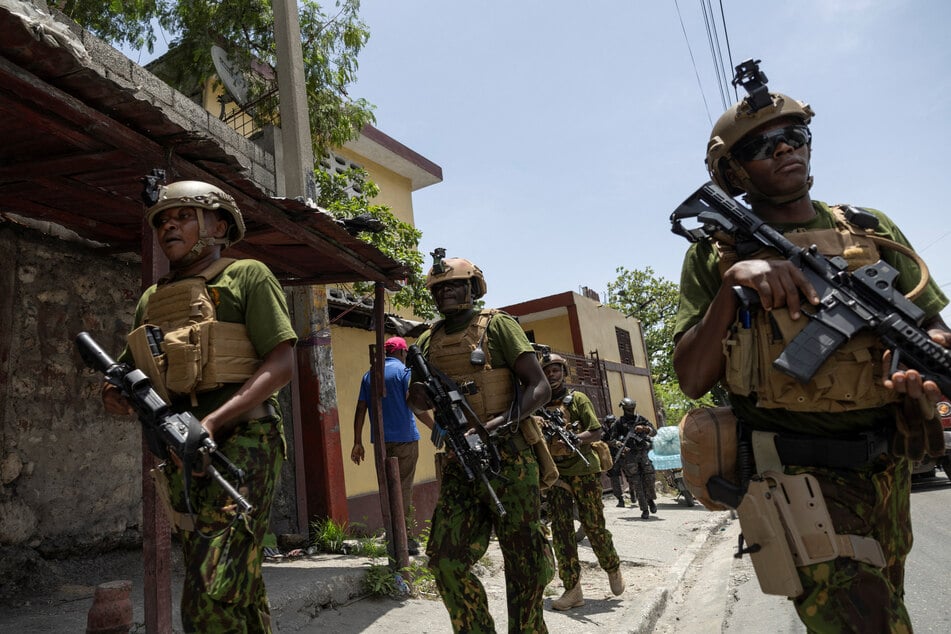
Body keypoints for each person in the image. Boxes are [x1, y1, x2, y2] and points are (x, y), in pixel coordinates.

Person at [673, 64, 950, 632]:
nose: (784, 151)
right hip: (794, 476)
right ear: (733, 172)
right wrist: (734, 283)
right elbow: (693, 378)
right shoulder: (714, 255)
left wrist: (922, 357)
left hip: (887, 464)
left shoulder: (868, 229)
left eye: (794, 136)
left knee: (885, 603)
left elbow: (933, 326)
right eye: (762, 146)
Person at [101, 180, 297, 633]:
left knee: (211, 589)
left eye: (183, 216)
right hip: (182, 451)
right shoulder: (152, 299)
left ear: (219, 225)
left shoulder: (247, 275)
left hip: (245, 442)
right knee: (231, 584)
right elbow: (133, 373)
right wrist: (114, 396)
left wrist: (213, 419)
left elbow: (282, 362)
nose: (169, 225)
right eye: (163, 221)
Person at [407, 253, 555, 634]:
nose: (446, 293)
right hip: (461, 461)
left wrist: (494, 426)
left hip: (509, 457)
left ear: (473, 287)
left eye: (454, 285)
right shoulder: (429, 338)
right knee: (444, 560)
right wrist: (421, 396)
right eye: (439, 289)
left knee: (524, 564)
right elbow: (415, 397)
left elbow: (539, 386)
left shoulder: (498, 325)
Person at [539, 353, 625, 610]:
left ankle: (611, 566)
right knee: (562, 533)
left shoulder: (577, 399)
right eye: (547, 371)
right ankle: (572, 589)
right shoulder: (538, 406)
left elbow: (596, 430)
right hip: (556, 475)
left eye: (556, 370)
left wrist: (575, 438)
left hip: (584, 471)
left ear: (563, 373)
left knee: (593, 524)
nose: (552, 375)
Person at [351, 336, 433, 555]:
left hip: (381, 443)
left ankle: (391, 533)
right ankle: (405, 538)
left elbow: (361, 409)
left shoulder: (369, 375)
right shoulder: (405, 374)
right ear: (402, 353)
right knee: (403, 487)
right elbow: (416, 406)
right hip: (405, 439)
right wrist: (435, 428)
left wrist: (357, 442)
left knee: (387, 487)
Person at [605, 398, 657, 519]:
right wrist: (620, 446)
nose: (630, 411)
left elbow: (653, 432)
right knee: (637, 482)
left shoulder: (641, 419)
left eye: (631, 408)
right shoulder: (618, 423)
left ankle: (650, 500)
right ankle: (644, 509)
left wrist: (644, 429)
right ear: (623, 409)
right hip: (630, 457)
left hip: (643, 452)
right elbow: (612, 439)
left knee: (649, 477)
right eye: (628, 409)